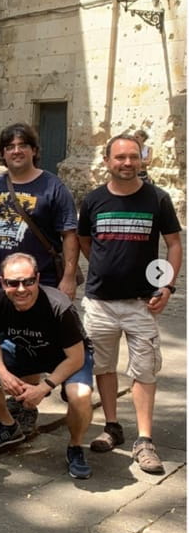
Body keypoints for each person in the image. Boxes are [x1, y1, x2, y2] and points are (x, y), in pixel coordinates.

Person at [78, 134, 182, 475]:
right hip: (100, 302)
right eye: (120, 157)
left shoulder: (157, 198)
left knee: (144, 370)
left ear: (141, 160)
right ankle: (112, 427)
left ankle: (145, 440)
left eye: (133, 157)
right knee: (103, 367)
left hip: (142, 303)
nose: (127, 163)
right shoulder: (93, 200)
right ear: (107, 161)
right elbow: (84, 240)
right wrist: (105, 266)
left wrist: (167, 286)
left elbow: (174, 243)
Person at [0, 253, 94, 479]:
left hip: (66, 357)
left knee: (80, 396)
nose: (21, 289)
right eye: (13, 283)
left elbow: (76, 358)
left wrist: (44, 387)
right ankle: (8, 426)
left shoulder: (59, 306)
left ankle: (75, 447)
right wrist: (2, 373)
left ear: (38, 279)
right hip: (25, 351)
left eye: (28, 281)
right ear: (2, 282)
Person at [0, 122, 79, 300]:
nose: (16, 151)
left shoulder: (53, 187)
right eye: (10, 147)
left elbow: (70, 235)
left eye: (23, 145)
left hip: (40, 285)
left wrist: (69, 277)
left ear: (34, 150)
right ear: (3, 153)